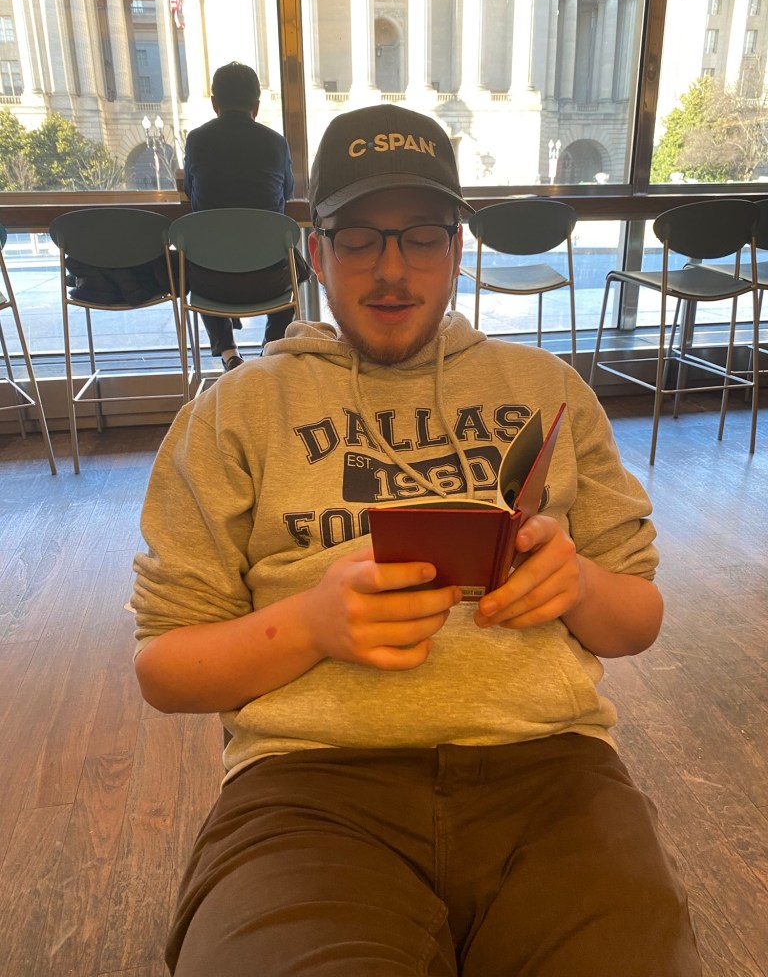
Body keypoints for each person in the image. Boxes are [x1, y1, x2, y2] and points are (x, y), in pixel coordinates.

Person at [132, 103, 702, 976]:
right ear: (315, 252)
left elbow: (637, 621)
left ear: (458, 249)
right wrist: (315, 626)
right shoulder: (235, 413)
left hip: (552, 773)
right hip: (308, 791)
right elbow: (163, 669)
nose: (391, 270)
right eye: (358, 237)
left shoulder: (547, 387)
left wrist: (579, 586)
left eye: (422, 236)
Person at [183, 61, 309, 371]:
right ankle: (269, 351)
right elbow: (288, 191)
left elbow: (189, 189)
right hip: (269, 279)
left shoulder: (197, 140)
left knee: (196, 260)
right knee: (296, 270)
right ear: (256, 104)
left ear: (214, 104)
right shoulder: (275, 143)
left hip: (211, 282)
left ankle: (229, 353)